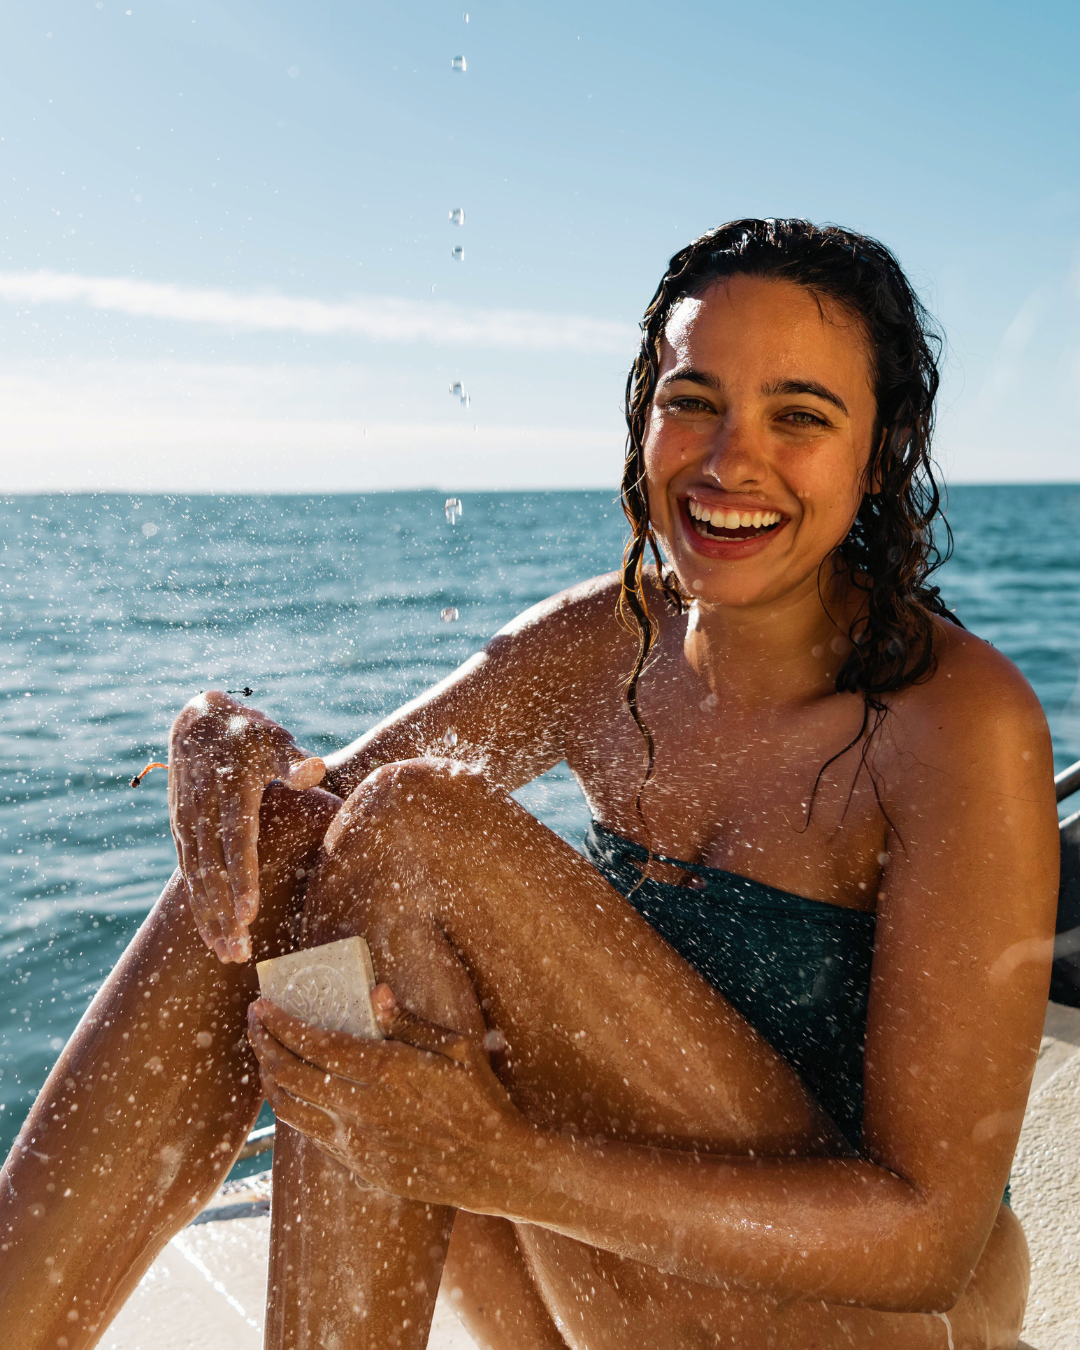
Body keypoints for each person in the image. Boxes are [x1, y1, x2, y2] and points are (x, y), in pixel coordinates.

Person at [0, 219, 1058, 1350]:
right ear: (644, 417)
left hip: (868, 1322)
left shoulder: (954, 726)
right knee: (272, 848)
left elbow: (931, 1236)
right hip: (601, 1282)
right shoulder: (604, 645)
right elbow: (316, 819)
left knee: (410, 827)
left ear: (880, 453)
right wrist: (219, 731)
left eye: (799, 416)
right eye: (692, 399)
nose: (727, 460)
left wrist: (502, 1161)